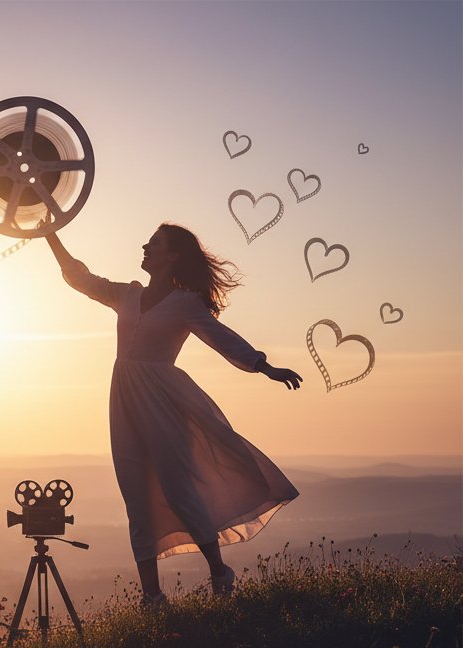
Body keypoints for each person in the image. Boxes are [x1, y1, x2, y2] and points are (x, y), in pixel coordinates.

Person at [45, 222, 301, 602]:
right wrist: (49, 234)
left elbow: (222, 338)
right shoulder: (126, 294)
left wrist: (264, 366)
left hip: (165, 402)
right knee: (136, 497)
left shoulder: (185, 303)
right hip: (124, 402)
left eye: (155, 243)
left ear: (173, 255)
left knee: (178, 491)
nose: (145, 247)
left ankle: (219, 573)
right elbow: (80, 278)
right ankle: (152, 598)